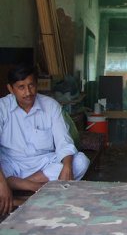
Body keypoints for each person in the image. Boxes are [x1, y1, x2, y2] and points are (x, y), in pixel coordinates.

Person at [0, 63, 90, 193]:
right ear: (10, 89)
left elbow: (63, 141)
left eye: (31, 85)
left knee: (81, 161)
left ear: (37, 84)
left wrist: (67, 166)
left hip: (43, 165)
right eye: (21, 87)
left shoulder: (51, 106)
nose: (28, 92)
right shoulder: (2, 108)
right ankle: (36, 188)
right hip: (11, 164)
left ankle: (19, 188)